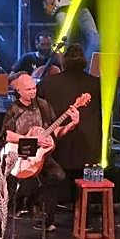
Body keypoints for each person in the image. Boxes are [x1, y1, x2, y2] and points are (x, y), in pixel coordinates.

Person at [0, 72, 81, 232]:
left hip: (41, 155)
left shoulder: (43, 106)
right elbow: (7, 135)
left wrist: (72, 124)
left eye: (34, 88)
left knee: (58, 176)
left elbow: (55, 131)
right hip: (21, 153)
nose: (33, 92)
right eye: (28, 89)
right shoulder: (14, 109)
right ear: (19, 90)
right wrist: (32, 140)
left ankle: (42, 214)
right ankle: (21, 202)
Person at [37, 48, 101, 178]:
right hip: (89, 152)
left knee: (57, 183)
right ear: (85, 62)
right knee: (91, 184)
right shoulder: (97, 84)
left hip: (56, 151)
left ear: (63, 61)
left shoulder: (47, 83)